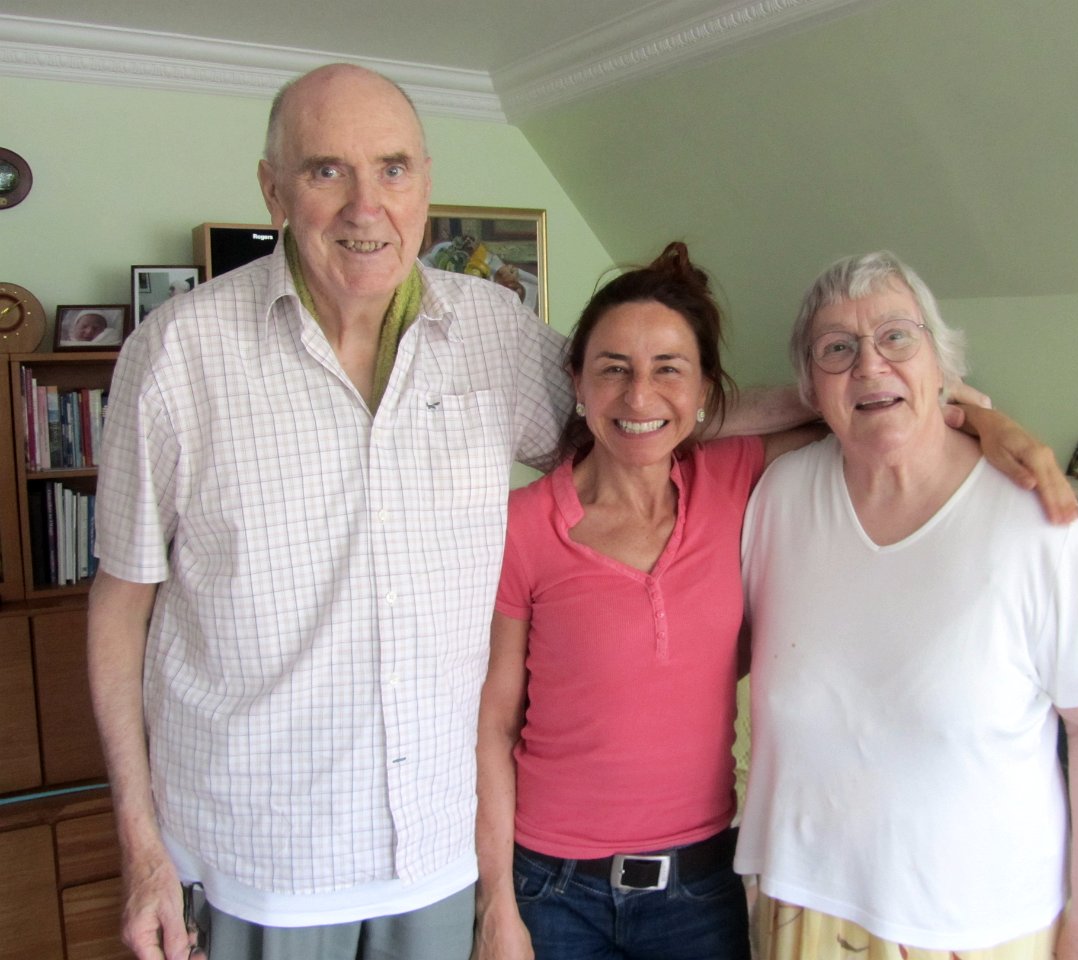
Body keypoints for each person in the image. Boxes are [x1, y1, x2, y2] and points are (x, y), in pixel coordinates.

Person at [86, 63, 827, 960]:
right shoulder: (176, 355)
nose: (368, 206)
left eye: (392, 168)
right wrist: (141, 849)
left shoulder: (489, 330)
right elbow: (121, 606)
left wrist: (888, 404)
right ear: (272, 188)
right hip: (257, 854)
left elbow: (641, 409)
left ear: (426, 184)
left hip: (435, 859)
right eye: (327, 171)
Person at [473, 244, 1078, 960]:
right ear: (577, 381)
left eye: (669, 369)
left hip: (698, 887)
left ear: (706, 390)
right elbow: (493, 724)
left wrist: (983, 419)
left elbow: (859, 412)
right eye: (613, 370)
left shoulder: (735, 480)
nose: (639, 399)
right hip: (552, 889)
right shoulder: (523, 524)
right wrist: (497, 906)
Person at [735, 251, 1078, 960]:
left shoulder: (1032, 517)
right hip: (803, 908)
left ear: (941, 362)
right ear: (809, 387)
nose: (870, 366)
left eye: (898, 336)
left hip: (980, 929)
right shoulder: (779, 497)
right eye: (838, 349)